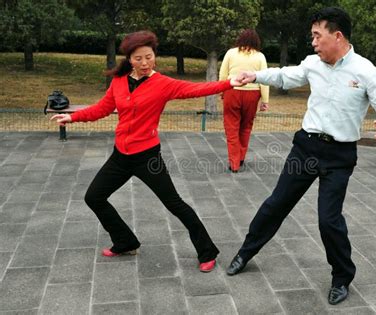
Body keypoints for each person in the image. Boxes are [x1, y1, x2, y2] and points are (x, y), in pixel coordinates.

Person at [226, 7, 376, 305]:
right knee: (276, 204)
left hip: (339, 155)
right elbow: (284, 76)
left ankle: (342, 277)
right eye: (312, 37)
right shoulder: (312, 63)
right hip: (306, 148)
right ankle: (245, 252)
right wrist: (254, 74)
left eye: (317, 36)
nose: (314, 42)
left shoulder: (366, 71)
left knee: (328, 220)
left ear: (338, 36)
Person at [50, 31, 243, 273]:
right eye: (138, 58)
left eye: (149, 57)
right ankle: (125, 241)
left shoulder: (163, 84)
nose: (144, 63)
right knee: (94, 197)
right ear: (129, 59)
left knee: (175, 204)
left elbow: (196, 89)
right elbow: (102, 108)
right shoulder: (119, 81)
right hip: (120, 156)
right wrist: (73, 116)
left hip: (147, 157)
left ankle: (207, 251)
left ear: (155, 57)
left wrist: (229, 83)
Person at [219, 29, 270, 173]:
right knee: (246, 127)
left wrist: (222, 90)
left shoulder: (230, 53)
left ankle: (233, 163)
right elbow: (264, 79)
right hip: (252, 94)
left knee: (231, 127)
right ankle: (241, 157)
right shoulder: (260, 56)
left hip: (232, 91)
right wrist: (265, 101)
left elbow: (223, 74)